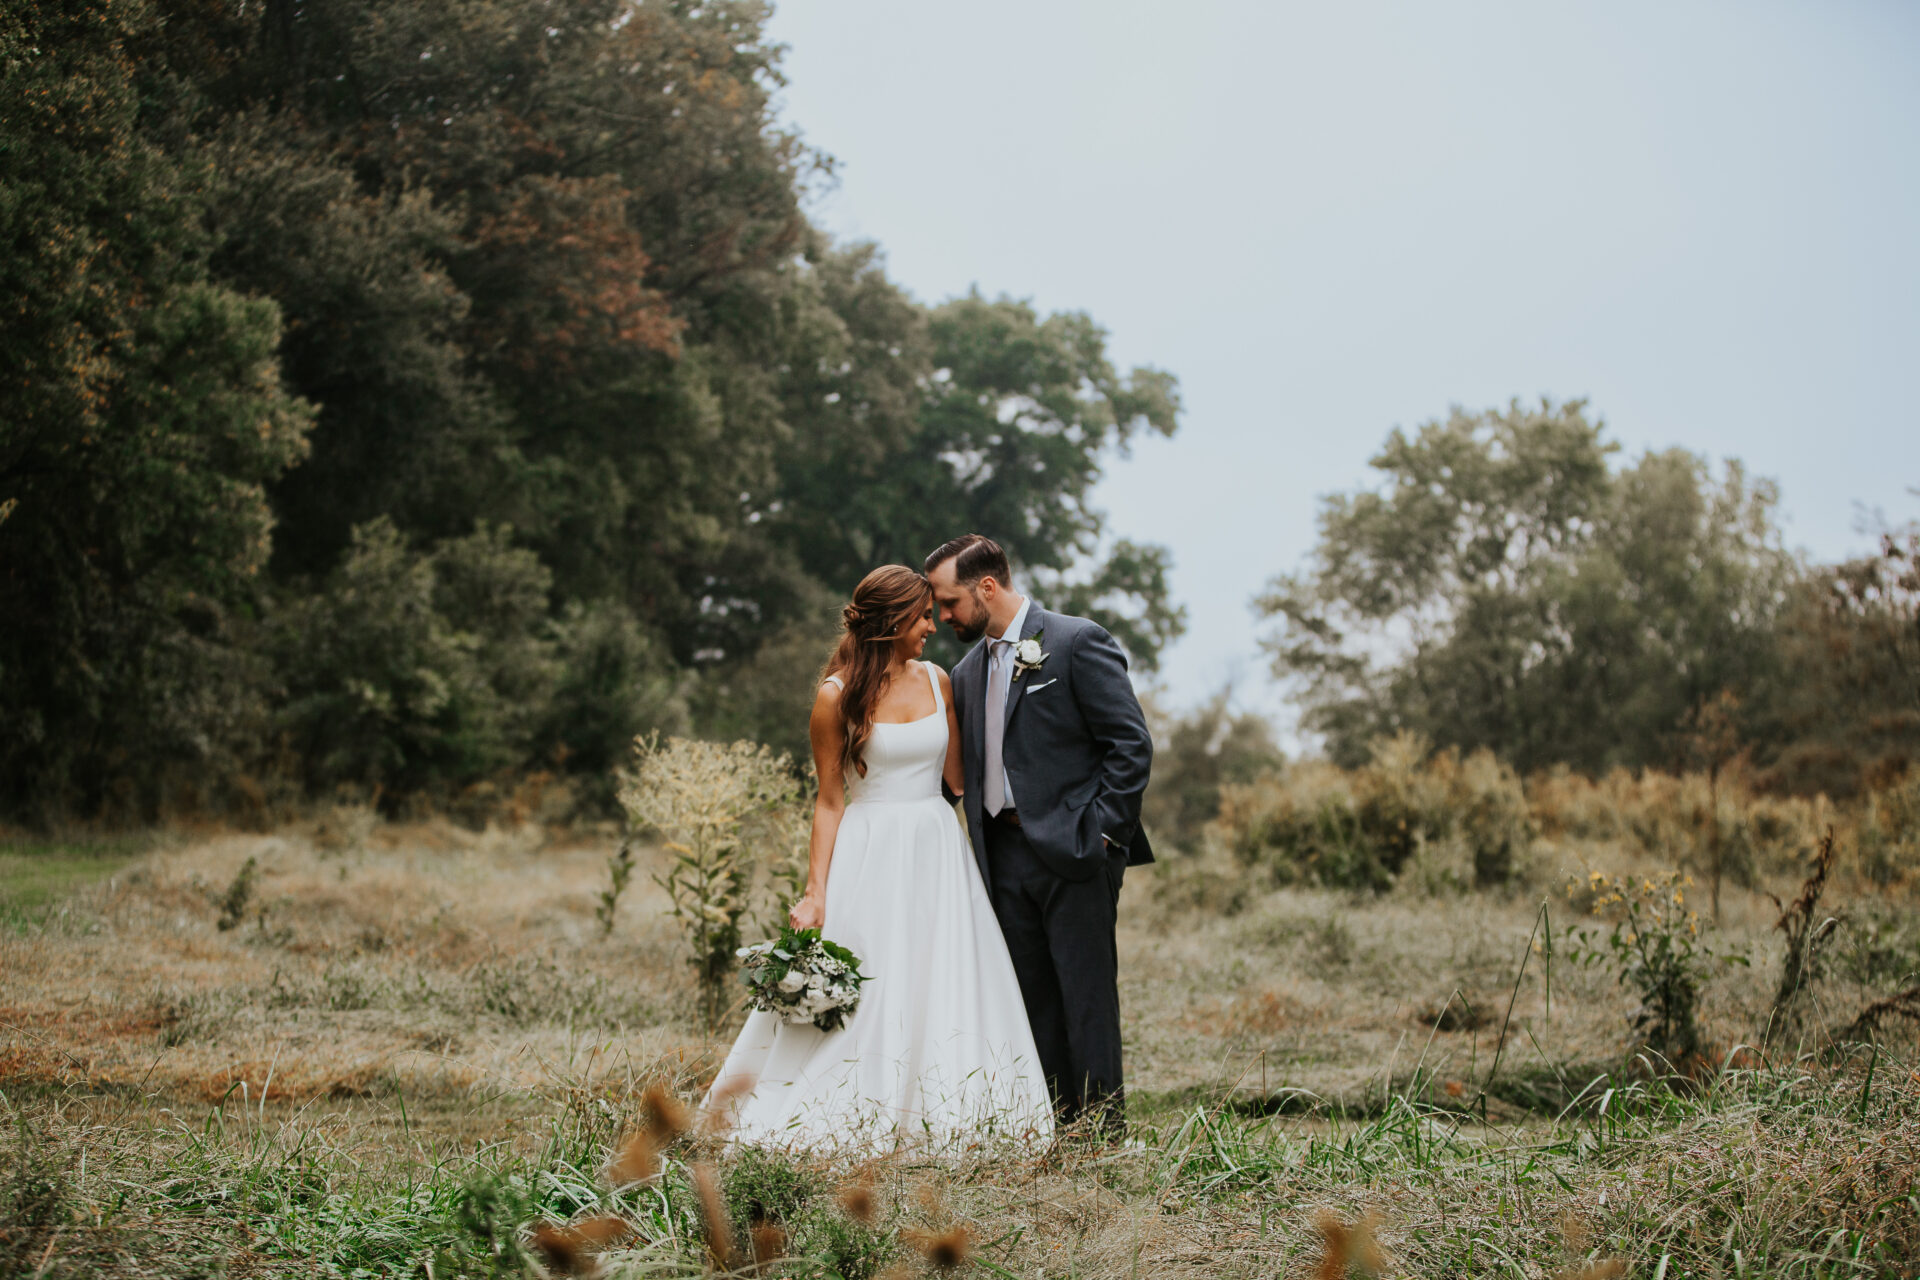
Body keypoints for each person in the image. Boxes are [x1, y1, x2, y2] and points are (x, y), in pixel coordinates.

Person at [704, 565, 1053, 1150]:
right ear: (892, 622)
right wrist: (815, 892)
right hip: (869, 850)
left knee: (942, 974)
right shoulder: (834, 697)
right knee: (871, 981)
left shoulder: (939, 680)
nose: (931, 628)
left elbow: (960, 778)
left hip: (937, 848)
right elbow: (830, 800)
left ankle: (951, 1109)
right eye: (921, 617)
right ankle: (852, 1105)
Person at [924, 534, 1153, 1137]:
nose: (943, 617)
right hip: (1001, 856)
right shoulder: (966, 673)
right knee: (1030, 1000)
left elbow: (1129, 744)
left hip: (1077, 851)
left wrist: (1104, 834)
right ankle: (1057, 1129)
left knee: (1087, 997)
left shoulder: (1078, 641)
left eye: (949, 602)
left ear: (988, 587)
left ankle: (1103, 1136)